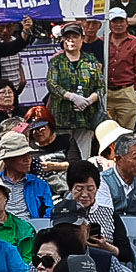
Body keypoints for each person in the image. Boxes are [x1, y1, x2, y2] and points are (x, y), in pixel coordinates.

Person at [47, 21, 107, 167]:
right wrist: (72, 97)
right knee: (64, 157)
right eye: (67, 37)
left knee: (84, 158)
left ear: (82, 39)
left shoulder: (91, 60)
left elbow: (101, 87)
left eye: (75, 37)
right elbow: (52, 84)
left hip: (85, 118)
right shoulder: (56, 61)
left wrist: (88, 100)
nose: (71, 41)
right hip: (62, 118)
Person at [103, 7, 136, 132]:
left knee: (126, 133)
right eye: (115, 22)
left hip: (127, 92)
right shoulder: (103, 42)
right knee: (107, 132)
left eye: (121, 21)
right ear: (109, 23)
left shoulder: (135, 43)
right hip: (106, 92)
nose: (118, 25)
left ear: (126, 22)